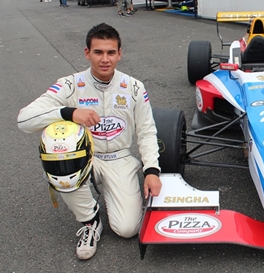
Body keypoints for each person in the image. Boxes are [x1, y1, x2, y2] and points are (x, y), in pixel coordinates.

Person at [17, 23, 162, 260]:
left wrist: (152, 170)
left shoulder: (134, 88)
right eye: (98, 52)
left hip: (120, 158)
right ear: (87, 53)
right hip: (83, 158)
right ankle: (90, 220)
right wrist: (68, 113)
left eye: (111, 52)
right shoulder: (70, 84)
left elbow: (147, 131)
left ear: (119, 54)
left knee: (127, 229)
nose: (105, 59)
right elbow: (24, 119)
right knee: (57, 144)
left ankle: (111, 189)